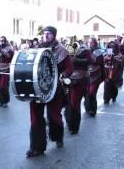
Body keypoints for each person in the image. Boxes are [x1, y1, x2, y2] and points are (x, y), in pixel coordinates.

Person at [26, 26, 73, 157]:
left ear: (54, 35)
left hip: (54, 87)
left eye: (49, 34)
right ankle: (37, 147)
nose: (46, 36)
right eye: (45, 34)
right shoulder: (36, 49)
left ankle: (58, 137)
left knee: (54, 114)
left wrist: (63, 75)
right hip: (37, 87)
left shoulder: (62, 50)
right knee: (35, 116)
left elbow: (69, 68)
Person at [65, 42, 92, 134]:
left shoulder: (85, 50)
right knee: (67, 101)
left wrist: (75, 59)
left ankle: (74, 125)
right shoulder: (64, 49)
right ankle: (69, 121)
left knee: (75, 102)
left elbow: (90, 60)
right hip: (67, 78)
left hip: (80, 79)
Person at [84, 37, 104, 117]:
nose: (89, 44)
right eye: (88, 42)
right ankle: (88, 107)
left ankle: (92, 109)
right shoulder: (86, 51)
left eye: (91, 42)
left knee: (92, 93)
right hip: (86, 75)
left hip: (95, 75)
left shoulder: (98, 53)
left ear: (95, 43)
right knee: (87, 93)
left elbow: (97, 62)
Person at [0, 36, 14, 108]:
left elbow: (8, 56)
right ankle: (0, 101)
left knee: (4, 86)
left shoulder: (9, 48)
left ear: (5, 41)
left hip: (6, 68)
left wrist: (1, 50)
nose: (1, 42)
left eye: (3, 41)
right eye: (0, 41)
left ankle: (5, 101)